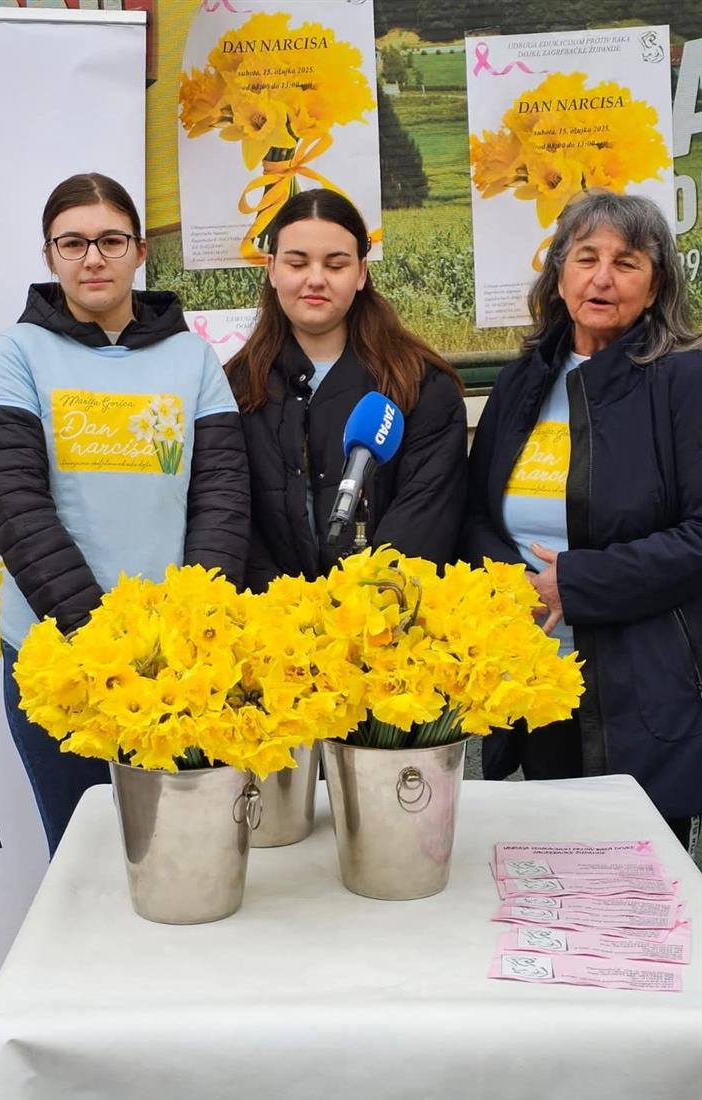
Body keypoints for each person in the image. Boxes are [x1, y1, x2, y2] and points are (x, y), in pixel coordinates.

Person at [0, 172, 250, 855]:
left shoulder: (192, 360)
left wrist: (183, 635)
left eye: (109, 240)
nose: (92, 258)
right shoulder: (17, 355)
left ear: (137, 252)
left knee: (175, 856)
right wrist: (99, 637)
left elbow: (220, 501)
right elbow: (16, 508)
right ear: (49, 257)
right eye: (72, 243)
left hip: (174, 662)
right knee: (80, 857)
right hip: (55, 652)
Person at [461, 189, 702, 853]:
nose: (600, 277)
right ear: (558, 273)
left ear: (655, 287)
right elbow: (478, 513)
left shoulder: (683, 382)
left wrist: (576, 584)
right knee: (546, 888)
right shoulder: (520, 382)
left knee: (635, 904)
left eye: (625, 263)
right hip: (536, 674)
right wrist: (513, 581)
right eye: (585, 257)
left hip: (641, 686)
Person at [226, 188, 467, 591]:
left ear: (361, 273)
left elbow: (425, 519)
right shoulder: (235, 388)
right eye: (297, 263)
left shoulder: (418, 385)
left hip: (385, 629)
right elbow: (232, 519)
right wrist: (286, 615)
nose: (315, 279)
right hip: (270, 631)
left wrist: (356, 612)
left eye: (335, 265)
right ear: (270, 269)